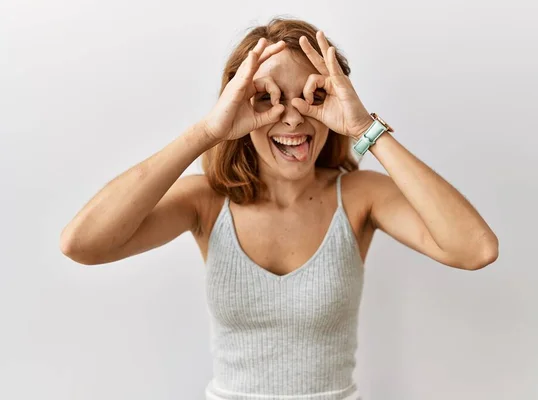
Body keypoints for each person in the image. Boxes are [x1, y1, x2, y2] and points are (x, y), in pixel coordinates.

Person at [60, 17, 499, 400]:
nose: (291, 118)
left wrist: (367, 128)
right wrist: (210, 130)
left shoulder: (362, 196)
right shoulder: (207, 201)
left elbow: (475, 249)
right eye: (267, 98)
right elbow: (82, 244)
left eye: (312, 96)